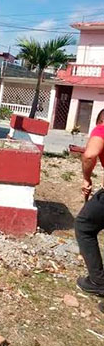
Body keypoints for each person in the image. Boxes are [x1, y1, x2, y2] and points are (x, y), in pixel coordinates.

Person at [75, 109, 104, 296]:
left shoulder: (102, 129)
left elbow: (89, 155)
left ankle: (98, 281)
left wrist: (87, 178)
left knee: (84, 225)